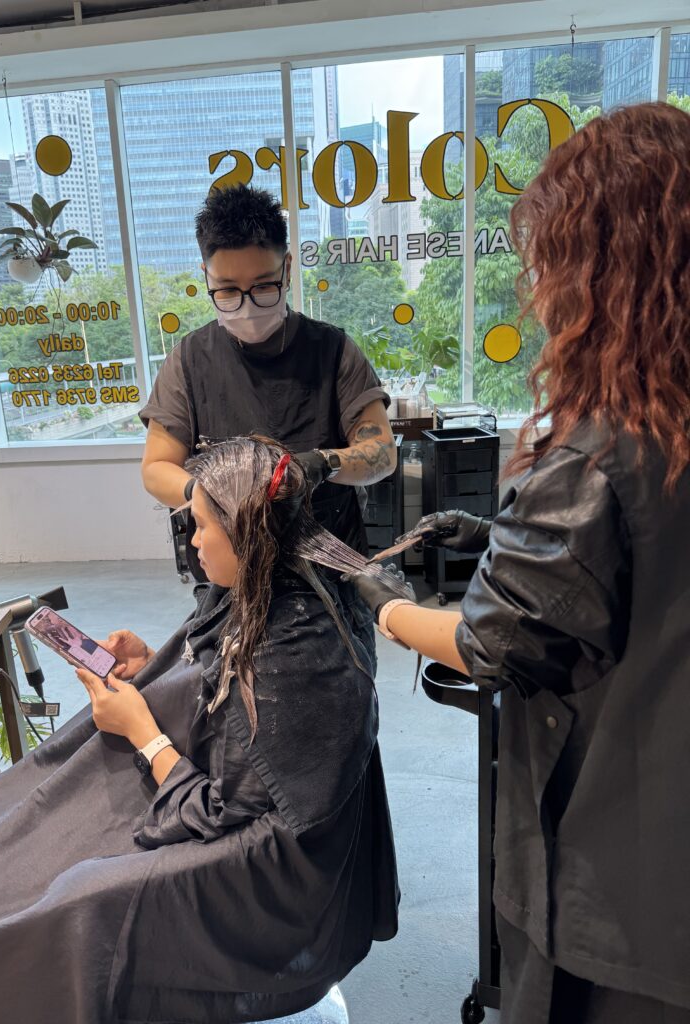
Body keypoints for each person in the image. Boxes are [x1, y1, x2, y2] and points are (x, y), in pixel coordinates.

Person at [350, 102, 690, 1023]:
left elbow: (493, 642)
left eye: (549, 264)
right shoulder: (664, 425)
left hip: (623, 881)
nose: (536, 292)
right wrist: (507, 536)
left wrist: (380, 599)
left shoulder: (598, 450)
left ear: (605, 271)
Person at [0, 436, 401, 1024]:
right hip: (217, 802)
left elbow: (227, 813)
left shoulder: (295, 652)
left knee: (75, 900)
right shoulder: (256, 590)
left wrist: (143, 729)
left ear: (246, 531)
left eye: (201, 526)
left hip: (270, 876)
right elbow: (219, 689)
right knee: (0, 815)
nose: (192, 541)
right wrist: (154, 664)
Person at [139, 183, 398, 579]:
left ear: (288, 269)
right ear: (205, 276)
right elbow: (156, 467)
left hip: (329, 577)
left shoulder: (334, 351)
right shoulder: (189, 362)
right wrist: (206, 494)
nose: (246, 305)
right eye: (226, 290)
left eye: (263, 286)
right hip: (231, 582)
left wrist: (321, 464)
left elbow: (381, 450)